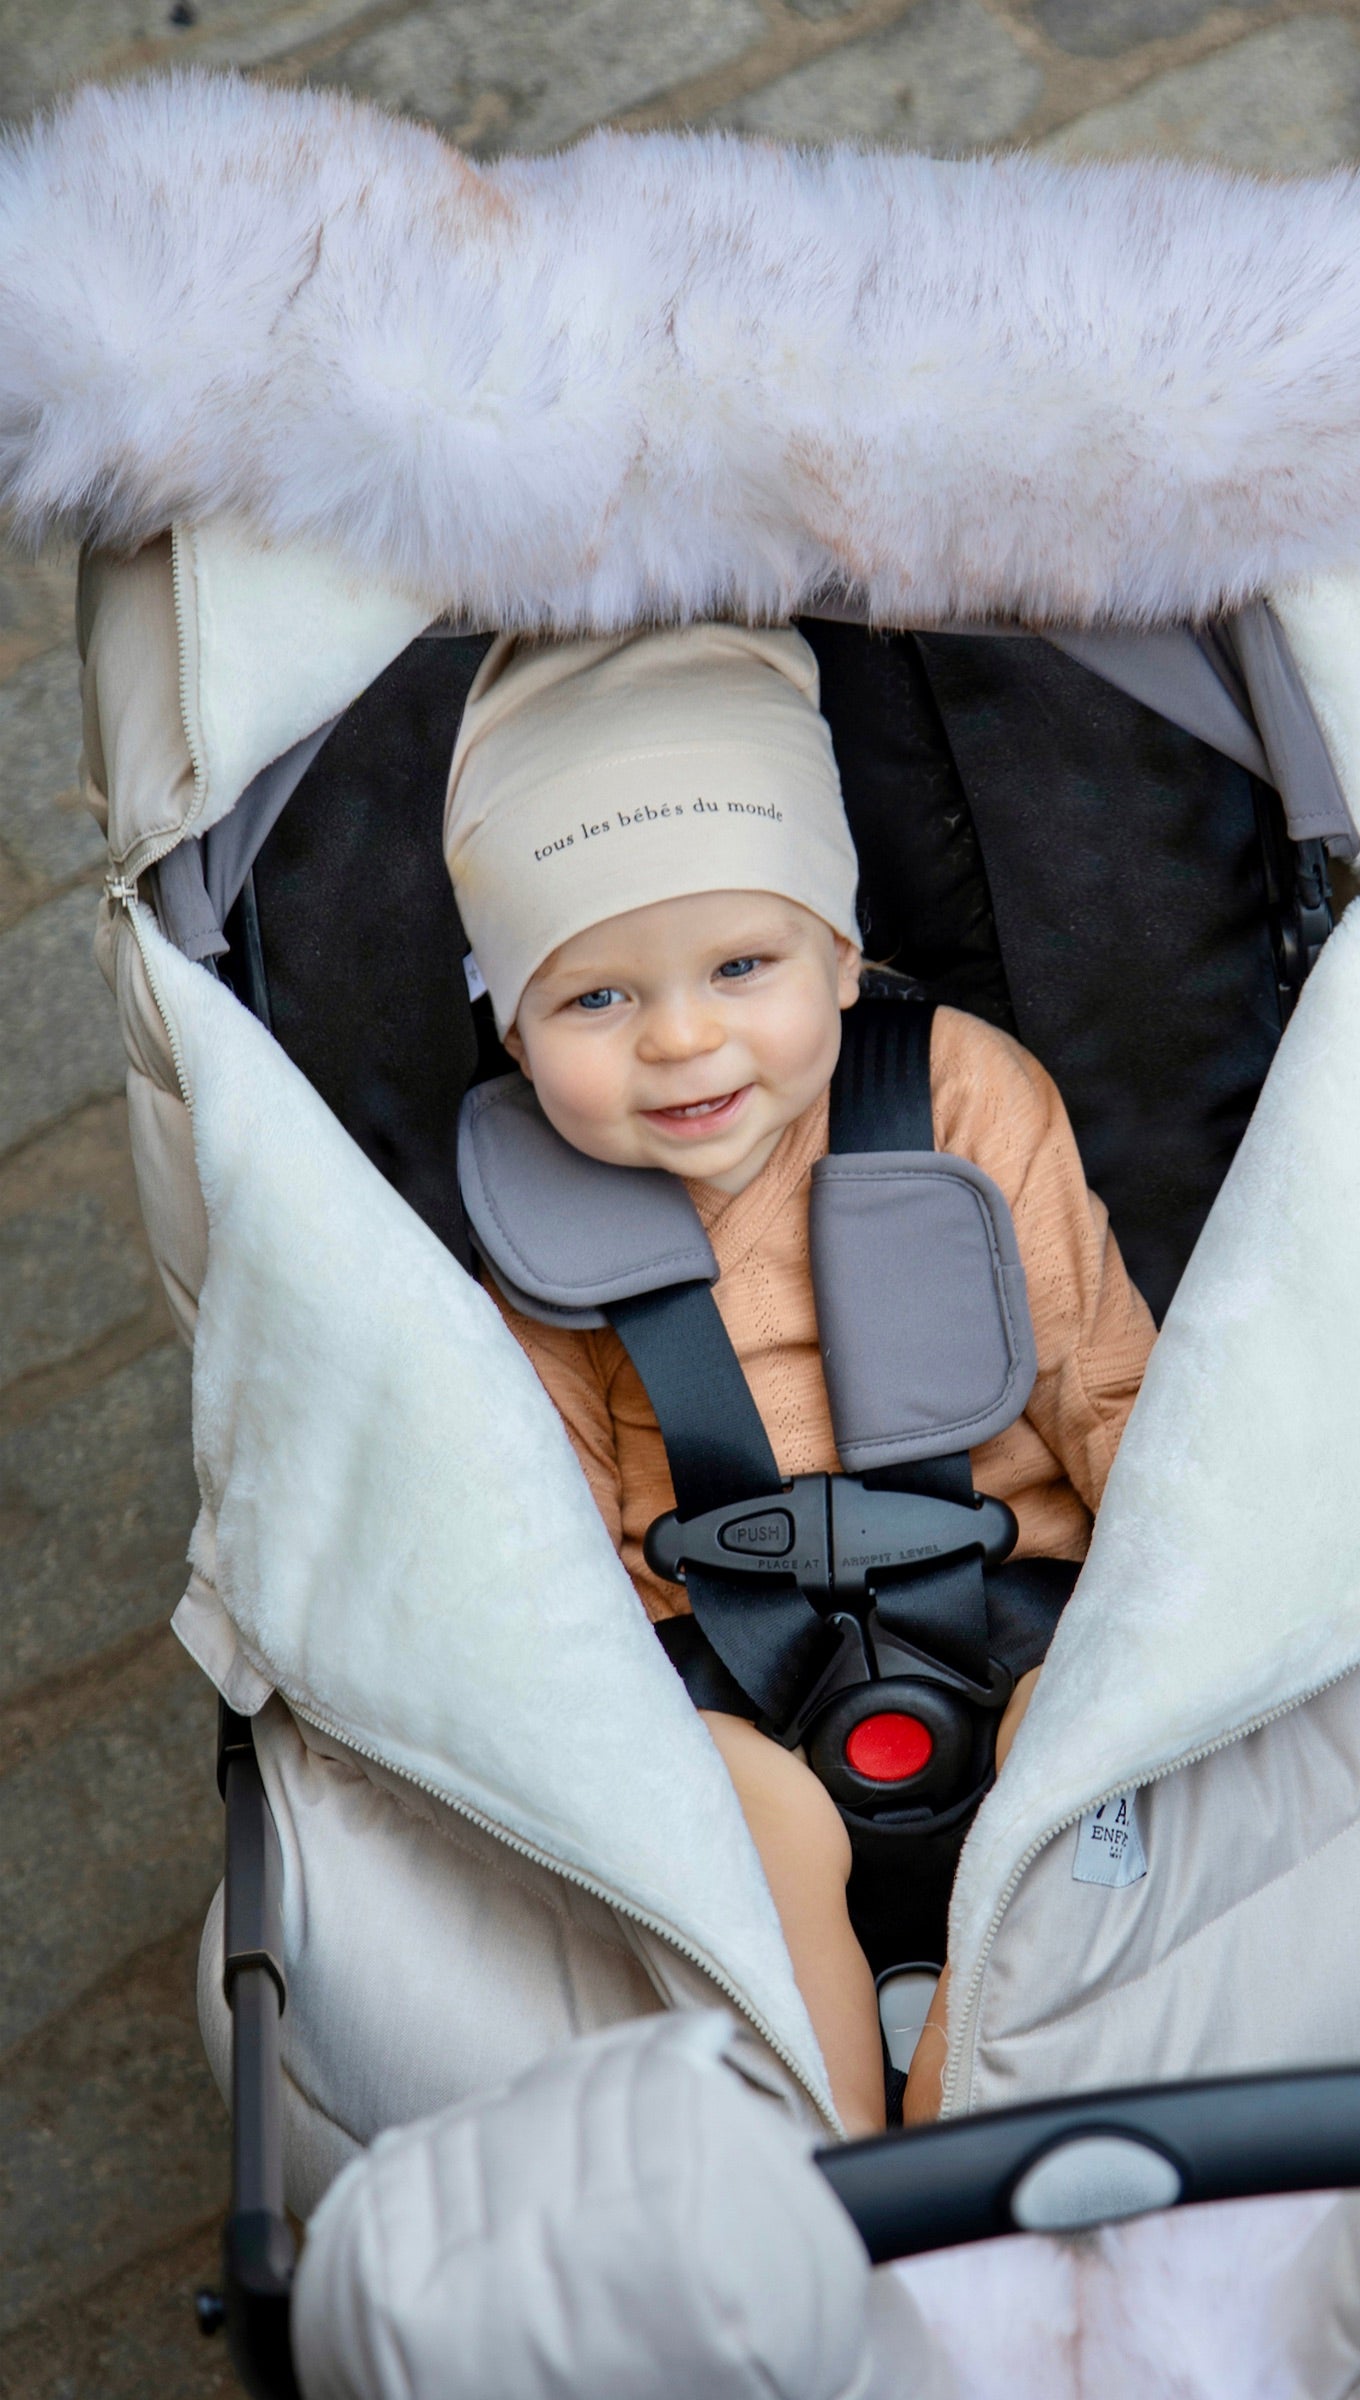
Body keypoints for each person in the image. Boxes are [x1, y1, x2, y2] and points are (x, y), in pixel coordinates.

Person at [443, 622, 1155, 2135]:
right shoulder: (531, 1213)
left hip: (1022, 1608)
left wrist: (1187, 1593)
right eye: (596, 1000)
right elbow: (533, 1521)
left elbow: (1101, 1377)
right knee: (742, 1830)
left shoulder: (957, 1092)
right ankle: (844, 2176)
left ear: (843, 953)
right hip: (721, 1680)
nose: (683, 1037)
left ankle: (975, 2110)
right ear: (508, 1022)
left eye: (741, 965)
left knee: (1092, 1758)